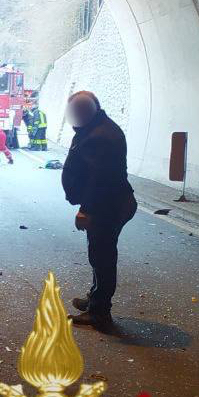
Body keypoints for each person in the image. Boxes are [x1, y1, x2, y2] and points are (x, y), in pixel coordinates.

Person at [61, 91, 136, 331]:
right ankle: (95, 298)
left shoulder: (101, 136)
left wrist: (87, 210)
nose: (77, 116)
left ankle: (100, 313)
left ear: (92, 109)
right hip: (111, 203)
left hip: (107, 206)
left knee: (102, 257)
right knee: (99, 254)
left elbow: (100, 180)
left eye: (81, 111)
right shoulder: (95, 128)